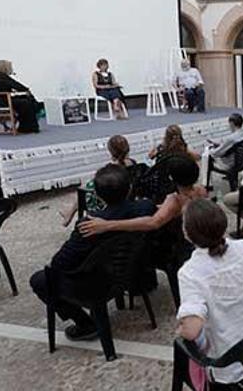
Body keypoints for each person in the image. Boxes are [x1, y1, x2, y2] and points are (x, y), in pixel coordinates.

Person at [30, 164, 156, 341]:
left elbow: (60, 263)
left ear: (96, 195)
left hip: (96, 283)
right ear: (129, 188)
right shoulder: (146, 208)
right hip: (129, 274)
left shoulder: (89, 226)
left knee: (40, 280)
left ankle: (85, 324)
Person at [176, 199, 243, 385]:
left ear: (187, 233)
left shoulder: (191, 272)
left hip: (230, 369)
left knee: (180, 346)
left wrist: (181, 329)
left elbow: (193, 330)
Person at [77, 156, 209, 236]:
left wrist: (107, 225)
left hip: (173, 238)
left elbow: (153, 223)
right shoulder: (201, 191)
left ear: (171, 178)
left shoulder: (174, 199)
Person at [59, 134, 137, 226]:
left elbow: (98, 184)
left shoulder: (111, 170)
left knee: (84, 190)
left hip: (109, 200)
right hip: (127, 197)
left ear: (110, 151)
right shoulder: (134, 164)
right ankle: (69, 213)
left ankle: (69, 213)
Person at [0, 59, 40, 133]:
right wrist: (26, 89)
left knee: (26, 100)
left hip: (2, 100)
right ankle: (28, 126)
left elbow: (11, 85)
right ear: (5, 68)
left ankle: (28, 126)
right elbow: (15, 84)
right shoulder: (1, 77)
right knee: (25, 102)